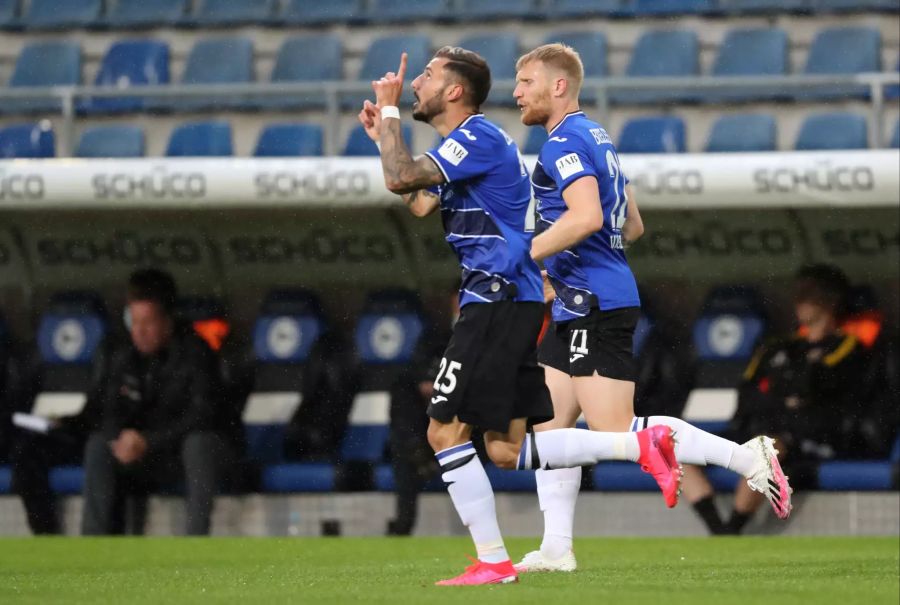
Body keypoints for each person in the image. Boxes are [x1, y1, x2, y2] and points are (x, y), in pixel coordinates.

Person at [358, 47, 681, 586]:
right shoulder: (461, 147)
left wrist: (390, 115)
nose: (416, 83)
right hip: (507, 300)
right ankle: (635, 444)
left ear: (455, 90)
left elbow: (400, 179)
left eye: (428, 75)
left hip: (496, 300)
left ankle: (493, 561)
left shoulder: (477, 138)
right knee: (506, 449)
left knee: (443, 433)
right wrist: (382, 140)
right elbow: (415, 199)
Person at [510, 43, 793, 571]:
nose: (516, 91)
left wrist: (523, 260)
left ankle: (747, 457)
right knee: (549, 430)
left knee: (617, 433)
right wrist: (563, 269)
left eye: (525, 81)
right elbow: (630, 225)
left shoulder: (561, 143)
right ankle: (556, 547)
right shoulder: (599, 137)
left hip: (594, 304)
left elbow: (589, 216)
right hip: (580, 301)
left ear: (558, 86)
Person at [684, 264, 869, 535]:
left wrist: (781, 397)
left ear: (831, 300)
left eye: (810, 294)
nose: (801, 301)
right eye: (799, 294)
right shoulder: (777, 347)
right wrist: (785, 400)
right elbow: (747, 395)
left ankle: (732, 530)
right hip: (755, 428)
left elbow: (815, 390)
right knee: (676, 447)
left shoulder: (846, 347)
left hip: (806, 436)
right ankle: (718, 530)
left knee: (767, 449)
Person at [81, 269, 233, 536]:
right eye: (134, 322)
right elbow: (108, 411)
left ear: (168, 321)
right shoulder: (123, 355)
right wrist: (123, 438)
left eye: (148, 322)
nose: (139, 331)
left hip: (179, 454)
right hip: (145, 456)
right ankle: (94, 545)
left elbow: (203, 415)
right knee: (99, 446)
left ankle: (196, 543)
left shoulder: (196, 353)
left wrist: (149, 440)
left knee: (198, 444)